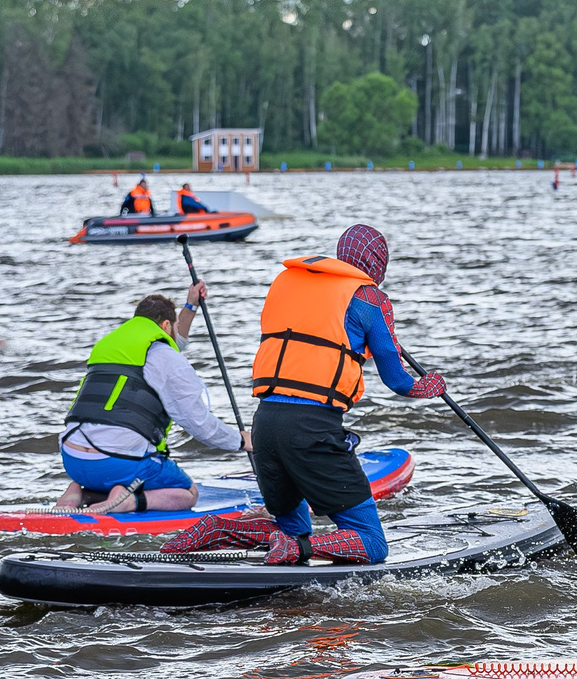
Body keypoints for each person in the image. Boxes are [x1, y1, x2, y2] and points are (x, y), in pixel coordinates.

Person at [164, 223, 442, 565]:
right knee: (372, 544)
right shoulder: (370, 299)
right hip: (311, 430)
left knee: (291, 528)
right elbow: (398, 380)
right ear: (377, 263)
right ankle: (298, 549)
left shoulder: (290, 281)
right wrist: (428, 386)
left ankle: (219, 528)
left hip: (265, 426)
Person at [57, 284, 248, 514]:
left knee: (106, 460)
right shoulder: (164, 355)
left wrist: (191, 306)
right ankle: (129, 501)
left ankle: (79, 491)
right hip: (119, 463)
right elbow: (199, 425)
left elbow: (175, 343)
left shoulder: (110, 345)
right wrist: (241, 441)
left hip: (73, 460)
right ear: (166, 325)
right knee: (188, 494)